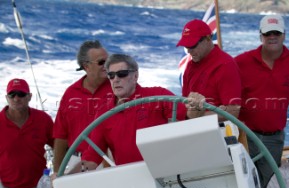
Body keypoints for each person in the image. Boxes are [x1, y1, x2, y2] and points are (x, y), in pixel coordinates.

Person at [68, 53, 204, 172]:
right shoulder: (104, 112)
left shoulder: (157, 96)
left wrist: (195, 107)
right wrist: (64, 177)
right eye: (111, 75)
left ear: (135, 76)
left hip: (164, 173)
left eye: (122, 74)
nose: (116, 79)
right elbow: (92, 158)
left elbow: (187, 117)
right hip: (130, 181)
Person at [234, 14, 289, 188]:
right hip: (245, 135)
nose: (272, 36)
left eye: (276, 33)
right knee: (242, 183)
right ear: (260, 36)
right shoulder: (241, 62)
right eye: (268, 33)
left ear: (284, 35)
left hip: (274, 139)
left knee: (261, 184)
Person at [52, 40, 112, 177]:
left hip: (110, 161)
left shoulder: (118, 88)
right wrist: (57, 172)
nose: (107, 66)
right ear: (86, 66)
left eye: (109, 61)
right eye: (102, 62)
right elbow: (60, 136)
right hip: (78, 162)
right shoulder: (70, 94)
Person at [0, 78, 53, 188]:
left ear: (29, 97)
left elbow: (59, 147)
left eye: (21, 94)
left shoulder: (43, 119)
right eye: (12, 94)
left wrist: (57, 173)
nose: (16, 98)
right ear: (7, 97)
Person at [176, 19, 242, 121]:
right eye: (186, 46)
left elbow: (233, 111)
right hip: (193, 128)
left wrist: (198, 117)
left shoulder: (226, 65)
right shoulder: (190, 65)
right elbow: (185, 101)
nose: (189, 51)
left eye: (192, 45)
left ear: (208, 39)